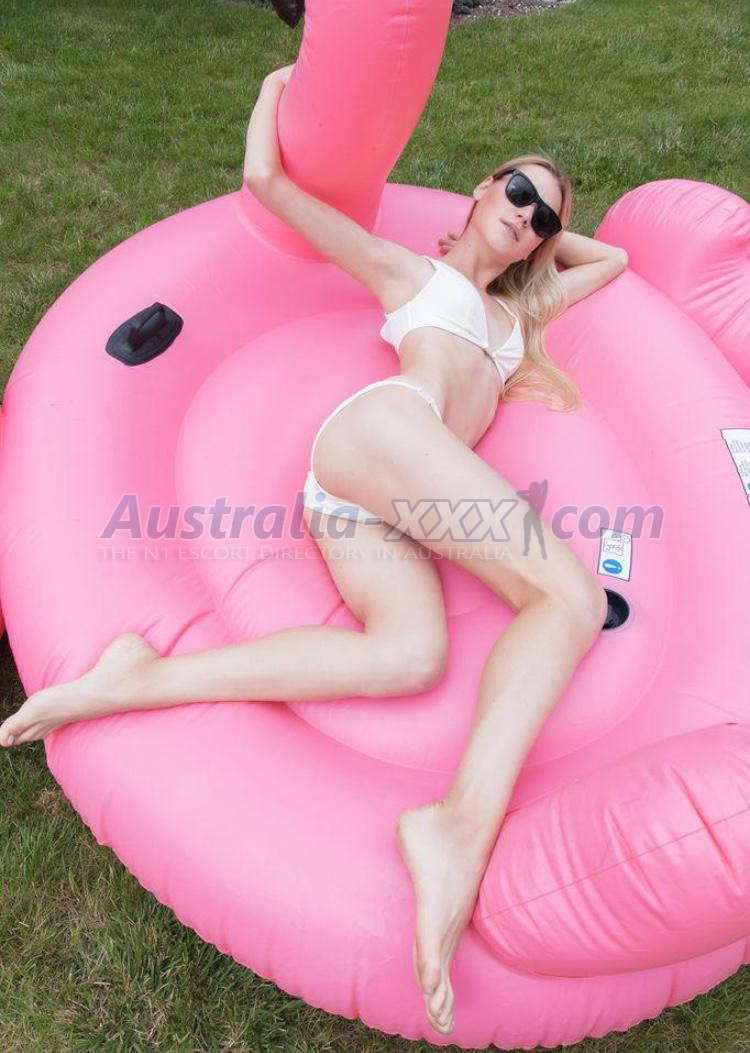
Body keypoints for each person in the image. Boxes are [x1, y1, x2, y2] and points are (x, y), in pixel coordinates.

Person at [0, 63, 629, 1035]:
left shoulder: (518, 318)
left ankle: (138, 677)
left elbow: (612, 261)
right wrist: (273, 85)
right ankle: (457, 830)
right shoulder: (412, 275)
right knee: (571, 599)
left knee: (410, 656)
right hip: (381, 435)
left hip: (375, 504)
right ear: (479, 188)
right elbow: (268, 185)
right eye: (516, 189)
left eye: (543, 216)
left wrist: (541, 240)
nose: (528, 216)